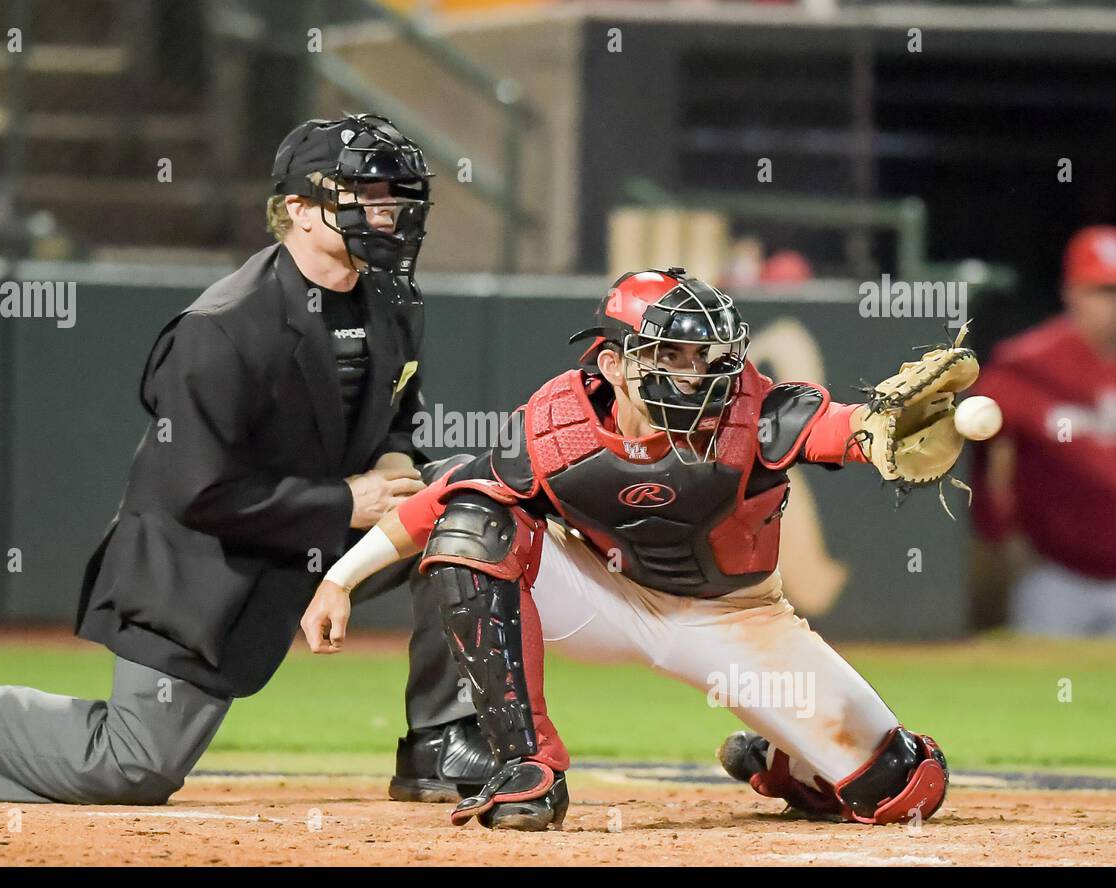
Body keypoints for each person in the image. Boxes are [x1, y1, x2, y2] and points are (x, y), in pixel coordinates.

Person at [0, 114, 493, 804]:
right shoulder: (222, 329)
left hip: (323, 532)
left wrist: (399, 467)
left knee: (466, 502)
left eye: (394, 197)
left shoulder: (394, 301)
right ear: (298, 209)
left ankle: (439, 739)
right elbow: (201, 493)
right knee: (132, 769)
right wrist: (351, 502)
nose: (387, 213)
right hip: (202, 564)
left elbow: (399, 413)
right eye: (364, 194)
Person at [302, 268, 964, 831]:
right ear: (614, 364)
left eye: (706, 356)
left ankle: (783, 761)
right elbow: (437, 498)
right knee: (474, 516)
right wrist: (339, 578)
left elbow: (827, 425)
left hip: (737, 623)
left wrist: (873, 428)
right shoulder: (560, 425)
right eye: (671, 356)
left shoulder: (748, 407)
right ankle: (526, 764)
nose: (697, 374)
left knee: (904, 787)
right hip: (604, 599)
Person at [971, 225, 1116, 637]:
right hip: (1053, 577)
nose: (1113, 305)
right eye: (1101, 291)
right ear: (1071, 291)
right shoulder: (1029, 364)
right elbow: (987, 449)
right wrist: (998, 532)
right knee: (1046, 694)